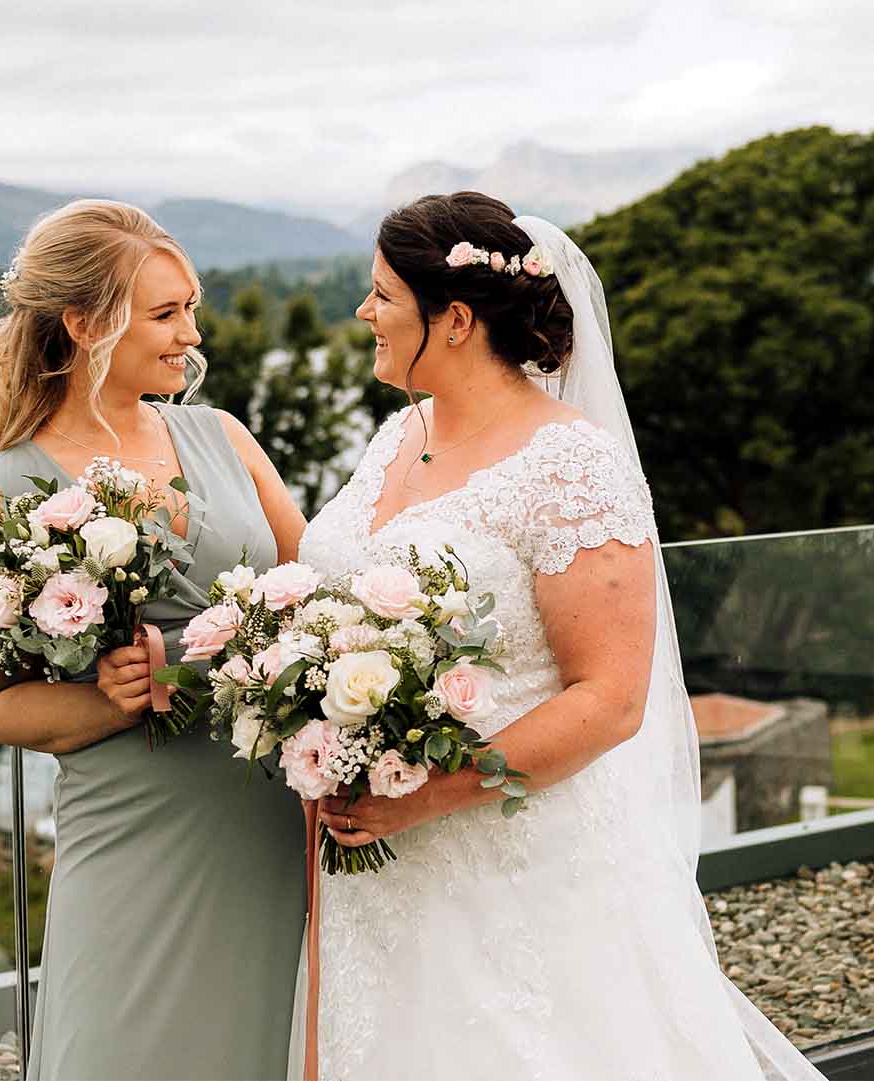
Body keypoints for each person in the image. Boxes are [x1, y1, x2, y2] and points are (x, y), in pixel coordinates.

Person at [293, 192, 824, 1079]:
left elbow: (612, 699)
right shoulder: (396, 436)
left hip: (516, 865)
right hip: (375, 870)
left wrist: (427, 792)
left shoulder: (572, 464)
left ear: (454, 319)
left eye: (383, 295)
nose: (365, 313)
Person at [0, 199, 309, 1080]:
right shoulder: (0, 495)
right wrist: (100, 697)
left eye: (191, 307)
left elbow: (315, 593)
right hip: (134, 831)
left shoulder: (223, 437)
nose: (191, 332)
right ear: (82, 323)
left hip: (271, 813)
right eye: (166, 312)